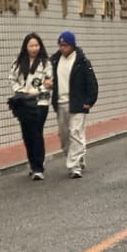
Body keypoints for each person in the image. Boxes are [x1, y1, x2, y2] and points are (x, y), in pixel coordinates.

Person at [51, 31, 99, 178]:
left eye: (65, 45)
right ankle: (78, 156)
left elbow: (91, 82)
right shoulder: (53, 61)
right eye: (60, 45)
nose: (62, 48)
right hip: (60, 104)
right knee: (64, 136)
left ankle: (74, 166)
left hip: (78, 104)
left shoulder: (82, 61)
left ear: (72, 45)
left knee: (75, 133)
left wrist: (89, 101)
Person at [8, 32, 53, 181]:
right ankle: (32, 163)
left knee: (36, 132)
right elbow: (12, 79)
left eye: (36, 45)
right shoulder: (18, 63)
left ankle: (38, 167)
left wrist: (36, 91)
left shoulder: (45, 63)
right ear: (26, 47)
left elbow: (48, 83)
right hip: (23, 102)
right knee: (26, 134)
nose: (34, 48)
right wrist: (20, 91)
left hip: (40, 102)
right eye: (31, 45)